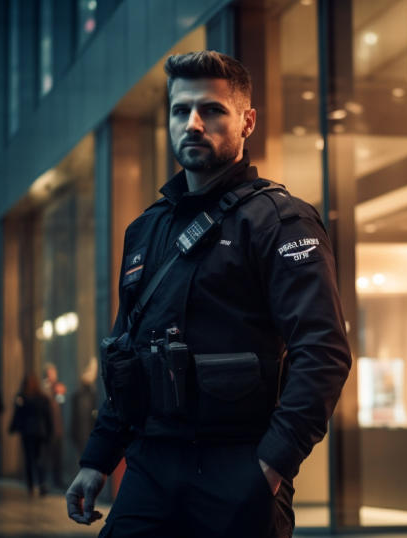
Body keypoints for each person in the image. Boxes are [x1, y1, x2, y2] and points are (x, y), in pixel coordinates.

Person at [65, 50, 351, 537]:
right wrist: (97, 458)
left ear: (247, 122)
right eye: (181, 110)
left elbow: (322, 354)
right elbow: (126, 352)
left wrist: (271, 466)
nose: (193, 124)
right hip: (150, 469)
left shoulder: (281, 221)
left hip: (238, 468)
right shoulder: (145, 230)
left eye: (212, 110)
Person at [10, 372, 54, 496]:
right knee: (40, 459)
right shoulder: (42, 398)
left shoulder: (22, 397)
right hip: (40, 432)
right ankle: (41, 483)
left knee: (29, 459)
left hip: (28, 432)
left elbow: (18, 414)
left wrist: (13, 427)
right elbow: (48, 416)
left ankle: (31, 485)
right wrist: (50, 431)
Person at [42, 362, 67, 489]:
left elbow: (61, 403)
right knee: (46, 456)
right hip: (48, 428)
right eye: (50, 373)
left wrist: (60, 394)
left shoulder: (57, 388)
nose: (52, 376)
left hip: (57, 427)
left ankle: (57, 480)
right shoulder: (44, 388)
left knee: (58, 455)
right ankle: (44, 481)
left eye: (54, 373)